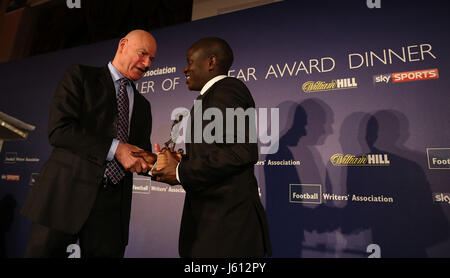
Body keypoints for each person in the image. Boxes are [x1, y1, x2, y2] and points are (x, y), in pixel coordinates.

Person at [21, 30, 157, 258]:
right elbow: (60, 131)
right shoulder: (80, 76)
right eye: (143, 54)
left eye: (152, 59)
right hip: (64, 198)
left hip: (112, 212)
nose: (147, 63)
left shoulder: (144, 106)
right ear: (123, 45)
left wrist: (153, 161)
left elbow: (135, 154)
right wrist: (116, 148)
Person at [151, 37, 272, 258]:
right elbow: (216, 153)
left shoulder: (227, 90)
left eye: (189, 61)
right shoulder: (212, 96)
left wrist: (179, 172)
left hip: (226, 231)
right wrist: (177, 162)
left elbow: (241, 151)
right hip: (215, 228)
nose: (185, 68)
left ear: (211, 62)